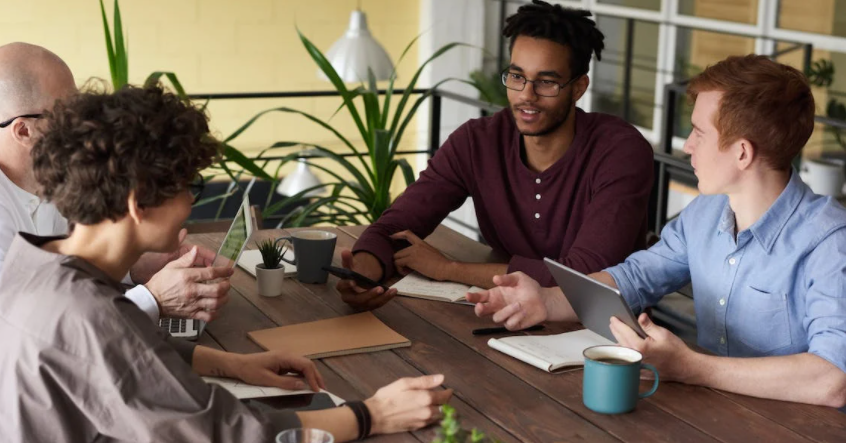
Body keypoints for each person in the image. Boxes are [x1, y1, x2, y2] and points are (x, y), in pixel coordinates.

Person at [0, 84, 452, 442]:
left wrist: (229, 364)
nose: (188, 206)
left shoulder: (34, 259)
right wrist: (370, 414)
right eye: (186, 187)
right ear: (139, 203)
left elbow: (115, 356)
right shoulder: (90, 315)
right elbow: (229, 435)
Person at [467, 55, 846, 408]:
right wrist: (547, 300)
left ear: (742, 153)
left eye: (698, 132)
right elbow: (634, 278)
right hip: (714, 412)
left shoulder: (830, 241)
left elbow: (833, 379)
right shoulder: (706, 212)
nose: (687, 147)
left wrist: (692, 367)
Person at [337, 0, 654, 310]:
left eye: (546, 82)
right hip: (506, 316)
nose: (526, 96)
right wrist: (362, 276)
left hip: (605, 333)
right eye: (517, 76)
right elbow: (398, 224)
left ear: (578, 87)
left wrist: (450, 269)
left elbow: (583, 276)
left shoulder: (620, 151)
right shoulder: (477, 142)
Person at [0, 42, 228, 322]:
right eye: (67, 114)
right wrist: (152, 299)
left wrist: (135, 266)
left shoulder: (56, 178)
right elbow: (31, 326)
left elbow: (69, 281)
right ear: (23, 130)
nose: (82, 124)